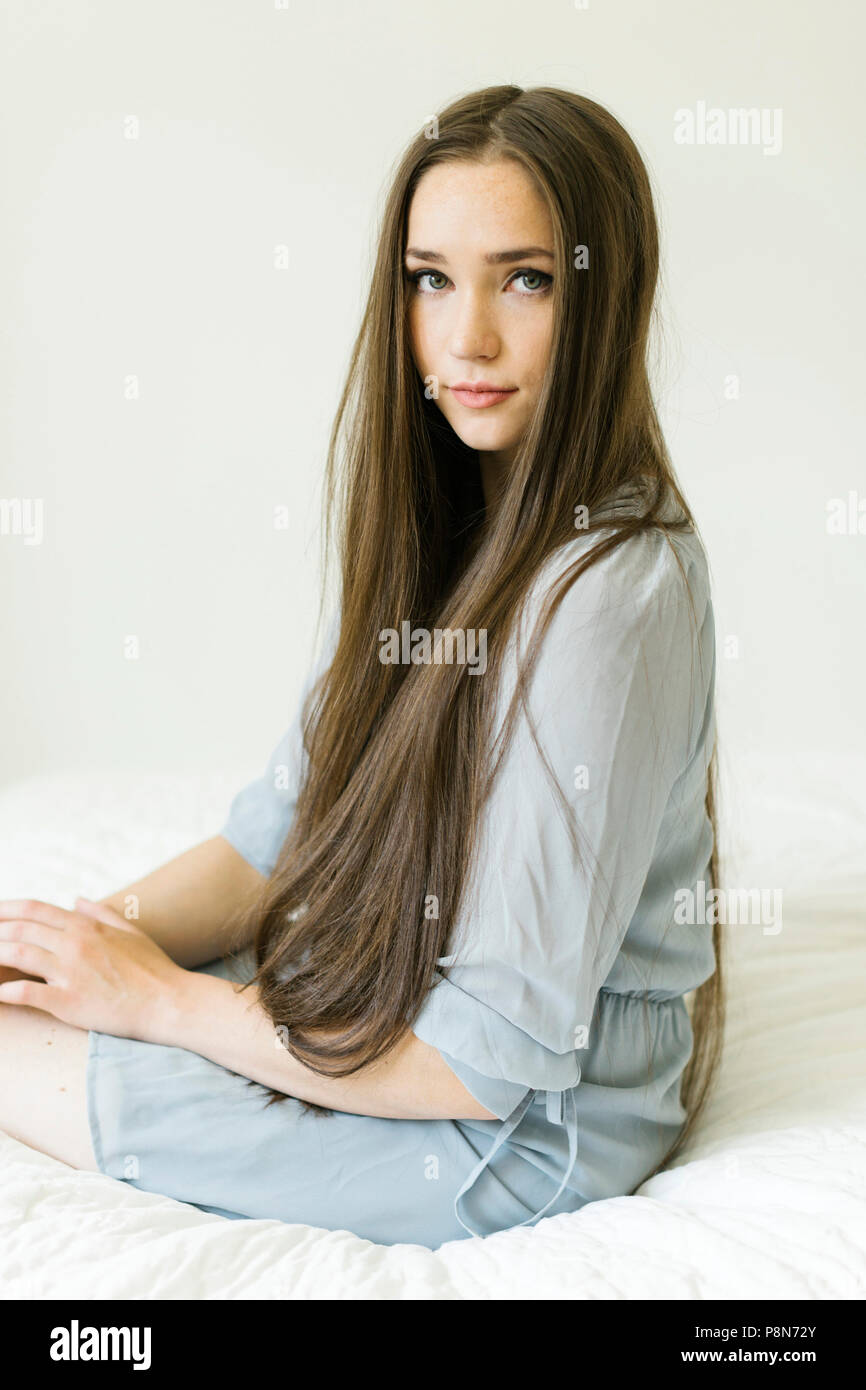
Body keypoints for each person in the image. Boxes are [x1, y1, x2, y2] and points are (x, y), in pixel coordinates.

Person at [0, 84, 724, 1248]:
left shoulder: (608, 595)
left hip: (514, 1123)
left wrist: (157, 1001)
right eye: (429, 278)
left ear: (605, 293)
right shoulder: (445, 518)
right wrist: (83, 944)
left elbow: (482, 1061)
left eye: (525, 278)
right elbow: (271, 843)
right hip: (387, 1006)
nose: (464, 337)